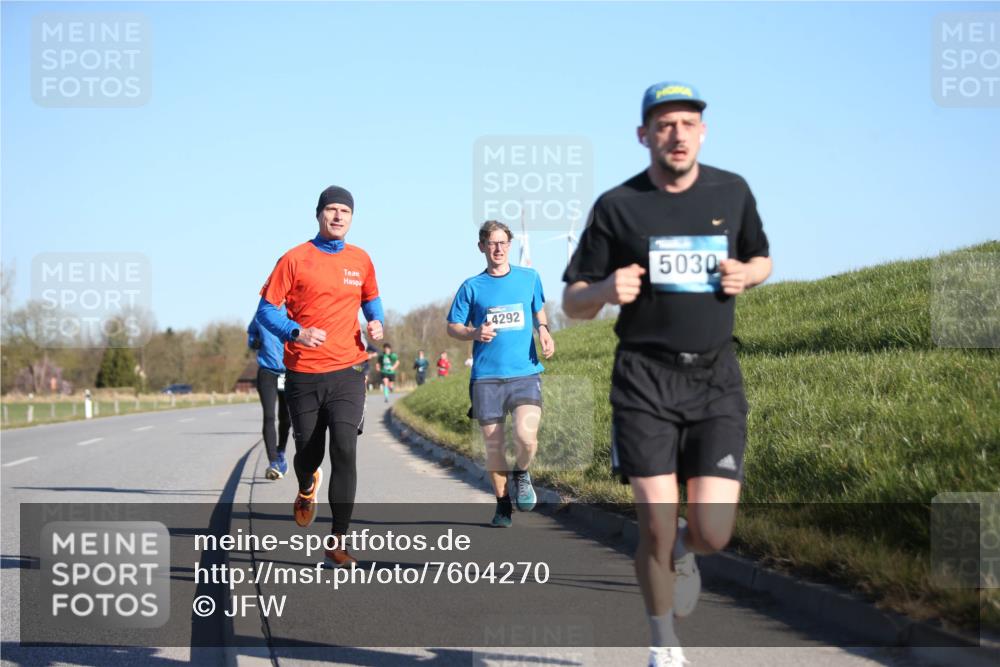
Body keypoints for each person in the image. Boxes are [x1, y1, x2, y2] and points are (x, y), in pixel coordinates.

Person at [561, 81, 772, 667]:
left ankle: (686, 550)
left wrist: (746, 276)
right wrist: (605, 289)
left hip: (715, 380)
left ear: (703, 131)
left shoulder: (732, 192)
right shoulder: (617, 206)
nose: (676, 135)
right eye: (664, 125)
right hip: (644, 381)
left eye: (687, 123)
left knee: (713, 532)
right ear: (643, 135)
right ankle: (664, 643)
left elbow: (763, 257)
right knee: (654, 525)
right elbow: (574, 299)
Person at [256, 185, 384, 569]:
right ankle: (306, 484)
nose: (339, 216)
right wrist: (297, 332)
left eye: (345, 211)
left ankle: (338, 541)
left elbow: (371, 298)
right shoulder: (294, 259)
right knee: (308, 454)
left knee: (344, 447)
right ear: (319, 214)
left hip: (348, 369)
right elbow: (266, 311)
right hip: (304, 374)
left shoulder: (361, 259)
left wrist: (375, 320)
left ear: (352, 217)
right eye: (332, 210)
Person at [447, 220, 556, 527]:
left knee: (526, 436)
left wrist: (544, 331)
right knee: (494, 447)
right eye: (492, 243)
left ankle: (522, 472)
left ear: (510, 245)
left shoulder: (529, 277)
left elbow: (538, 310)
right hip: (486, 378)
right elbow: (452, 326)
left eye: (503, 243)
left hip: (525, 372)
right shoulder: (472, 286)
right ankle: (502, 505)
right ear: (481, 246)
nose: (498, 249)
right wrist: (473, 332)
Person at [247, 308, 292, 480]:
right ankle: (273, 462)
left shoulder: (291, 310)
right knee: (269, 417)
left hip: (288, 372)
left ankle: (281, 452)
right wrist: (254, 341)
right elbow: (251, 332)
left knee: (286, 417)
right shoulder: (261, 312)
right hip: (267, 372)